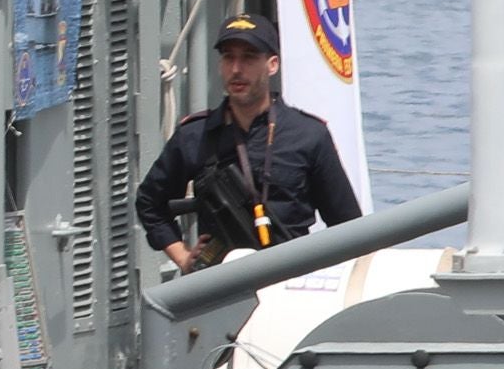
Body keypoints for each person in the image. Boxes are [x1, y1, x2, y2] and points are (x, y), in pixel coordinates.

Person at [134, 16, 364, 273]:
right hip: (218, 285)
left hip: (290, 280)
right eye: (228, 57)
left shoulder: (308, 135)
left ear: (272, 64)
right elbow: (149, 202)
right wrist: (183, 257)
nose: (236, 69)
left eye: (249, 58)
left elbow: (348, 226)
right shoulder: (196, 134)